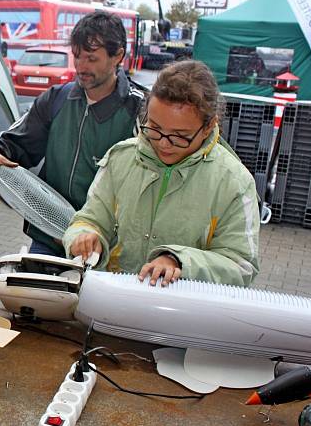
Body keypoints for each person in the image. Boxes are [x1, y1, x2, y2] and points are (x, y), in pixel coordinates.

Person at [63, 60, 260, 287]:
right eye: (155, 128)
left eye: (179, 135)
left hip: (187, 313)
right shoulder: (121, 159)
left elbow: (242, 265)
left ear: (209, 126)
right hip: (113, 300)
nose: (164, 144)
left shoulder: (234, 182)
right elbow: (89, 219)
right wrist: (84, 237)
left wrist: (180, 261)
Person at [0, 11, 147, 257]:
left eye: (91, 58)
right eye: (77, 57)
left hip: (106, 249)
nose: (81, 67)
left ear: (118, 56)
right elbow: (12, 144)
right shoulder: (56, 98)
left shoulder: (140, 111)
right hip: (50, 237)